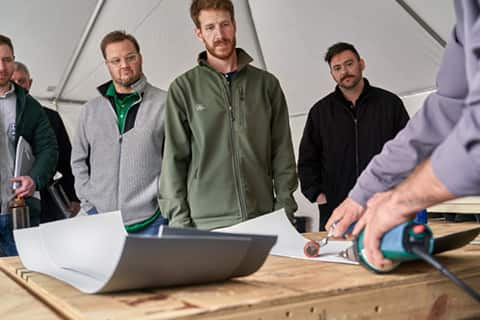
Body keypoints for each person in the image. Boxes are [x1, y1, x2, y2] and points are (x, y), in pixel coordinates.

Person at [327, 0, 480, 269]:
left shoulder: (388, 102)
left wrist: (401, 199)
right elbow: (446, 107)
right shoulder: (468, 16)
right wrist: (362, 192)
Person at [158, 0, 298, 229]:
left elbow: (283, 154)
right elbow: (173, 162)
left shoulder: (266, 85)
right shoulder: (183, 89)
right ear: (199, 33)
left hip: (261, 219)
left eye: (224, 24)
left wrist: (284, 212)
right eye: (210, 27)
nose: (219, 34)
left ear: (234, 25)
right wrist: (180, 225)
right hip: (205, 225)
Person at [298, 42, 409, 230]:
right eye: (337, 68)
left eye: (349, 64)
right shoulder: (320, 112)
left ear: (361, 64)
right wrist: (319, 195)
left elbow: (407, 151)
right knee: (335, 259)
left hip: (384, 208)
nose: (345, 72)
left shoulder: (390, 104)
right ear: (332, 74)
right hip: (338, 211)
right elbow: (307, 160)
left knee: (385, 258)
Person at [71, 30, 167, 235]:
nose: (124, 65)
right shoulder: (90, 110)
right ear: (107, 64)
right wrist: (88, 199)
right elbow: (78, 160)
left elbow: (175, 160)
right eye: (115, 60)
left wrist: (161, 198)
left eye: (130, 57)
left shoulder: (164, 104)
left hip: (151, 222)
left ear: (140, 58)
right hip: (100, 221)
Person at [0, 34, 58, 256]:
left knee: (25, 281)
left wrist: (34, 178)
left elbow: (49, 149)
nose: (1, 67)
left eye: (7, 60)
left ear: (14, 60)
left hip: (20, 212)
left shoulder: (30, 105)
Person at [11, 61, 80, 222]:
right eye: (13, 82)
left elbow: (65, 157)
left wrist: (72, 196)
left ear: (30, 83)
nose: (18, 86)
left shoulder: (50, 116)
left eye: (22, 81)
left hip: (45, 195)